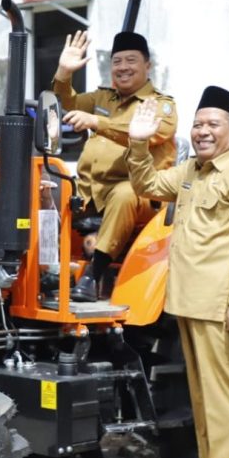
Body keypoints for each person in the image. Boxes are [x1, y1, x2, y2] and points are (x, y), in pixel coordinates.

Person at [126, 87, 229, 458]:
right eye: (198, 124)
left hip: (222, 305)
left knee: (224, 397)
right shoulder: (191, 169)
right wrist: (138, 141)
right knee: (201, 398)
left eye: (213, 124)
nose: (203, 131)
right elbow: (147, 183)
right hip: (187, 301)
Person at [53, 30, 178, 301]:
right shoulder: (102, 98)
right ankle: (39, 271)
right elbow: (65, 103)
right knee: (46, 187)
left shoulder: (161, 106)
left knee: (124, 192)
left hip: (142, 197)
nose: (123, 67)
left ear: (148, 65)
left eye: (131, 60)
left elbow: (149, 132)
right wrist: (64, 74)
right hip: (89, 191)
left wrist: (97, 122)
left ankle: (92, 276)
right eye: (117, 61)